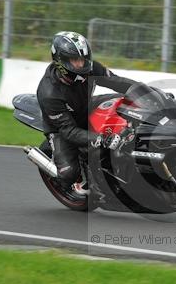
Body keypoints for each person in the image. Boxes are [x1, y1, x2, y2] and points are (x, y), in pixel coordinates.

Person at [37, 31, 138, 200]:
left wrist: (147, 92)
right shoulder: (50, 93)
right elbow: (68, 131)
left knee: (126, 102)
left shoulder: (89, 68)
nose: (81, 64)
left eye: (83, 58)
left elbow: (117, 82)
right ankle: (79, 179)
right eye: (75, 60)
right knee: (68, 173)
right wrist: (101, 138)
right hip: (61, 128)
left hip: (86, 107)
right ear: (61, 61)